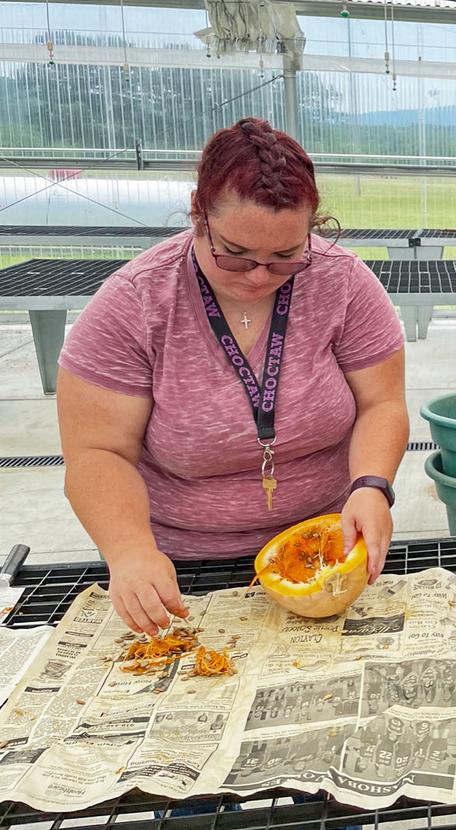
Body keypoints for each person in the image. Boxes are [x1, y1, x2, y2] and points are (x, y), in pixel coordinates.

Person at [57, 117, 409, 636]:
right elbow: (97, 453)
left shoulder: (344, 282)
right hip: (184, 566)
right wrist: (130, 551)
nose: (260, 276)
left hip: (330, 546)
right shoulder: (135, 302)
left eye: (286, 256)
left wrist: (371, 487)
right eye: (236, 255)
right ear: (198, 212)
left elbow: (382, 403)